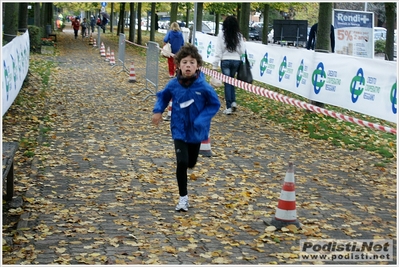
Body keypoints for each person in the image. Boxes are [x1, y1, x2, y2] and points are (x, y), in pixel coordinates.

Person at [152, 44, 221, 212]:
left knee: (191, 162)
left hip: (197, 132)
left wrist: (201, 120)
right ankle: (183, 198)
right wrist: (158, 111)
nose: (188, 65)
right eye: (184, 62)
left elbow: (214, 104)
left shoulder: (203, 87)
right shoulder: (173, 85)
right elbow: (163, 97)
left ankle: (189, 164)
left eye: (192, 62)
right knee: (182, 162)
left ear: (198, 65)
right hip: (179, 129)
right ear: (178, 65)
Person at [212, 16, 246, 115]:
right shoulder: (238, 35)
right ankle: (233, 102)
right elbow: (242, 50)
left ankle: (228, 106)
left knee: (227, 83)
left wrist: (215, 65)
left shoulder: (221, 35)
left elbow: (218, 51)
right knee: (232, 81)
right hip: (236, 60)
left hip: (225, 60)